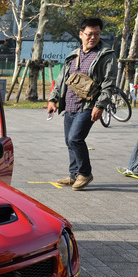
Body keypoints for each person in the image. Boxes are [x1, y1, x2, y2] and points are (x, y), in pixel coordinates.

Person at [47, 17, 116, 191]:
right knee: (69, 141)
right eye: (89, 34)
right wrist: (53, 99)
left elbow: (109, 83)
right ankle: (74, 175)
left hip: (89, 105)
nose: (93, 37)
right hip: (70, 103)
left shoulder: (106, 55)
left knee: (75, 138)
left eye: (97, 34)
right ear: (81, 34)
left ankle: (85, 173)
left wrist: (100, 106)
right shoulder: (73, 55)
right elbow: (62, 79)